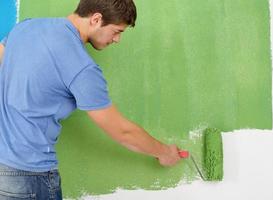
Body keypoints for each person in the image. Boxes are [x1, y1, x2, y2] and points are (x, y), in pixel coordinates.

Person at [0, 0, 183, 199]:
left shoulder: (26, 27)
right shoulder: (82, 68)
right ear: (96, 19)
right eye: (117, 31)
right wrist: (165, 153)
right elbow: (123, 131)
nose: (117, 39)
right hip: (28, 177)